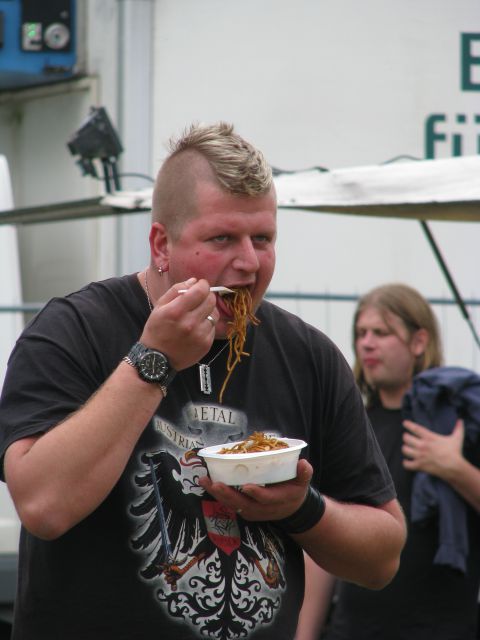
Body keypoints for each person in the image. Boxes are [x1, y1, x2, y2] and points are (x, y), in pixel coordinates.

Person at [0, 123, 406, 640]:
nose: (249, 262)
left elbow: (383, 557)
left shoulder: (309, 357)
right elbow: (42, 506)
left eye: (263, 238)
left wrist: (303, 508)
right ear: (161, 244)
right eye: (222, 239)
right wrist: (154, 360)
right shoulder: (74, 329)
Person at [296, 283, 480, 640]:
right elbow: (322, 539)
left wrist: (454, 468)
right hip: (353, 630)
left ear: (419, 342)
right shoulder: (351, 427)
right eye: (361, 333)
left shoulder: (457, 422)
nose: (367, 343)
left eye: (381, 333)